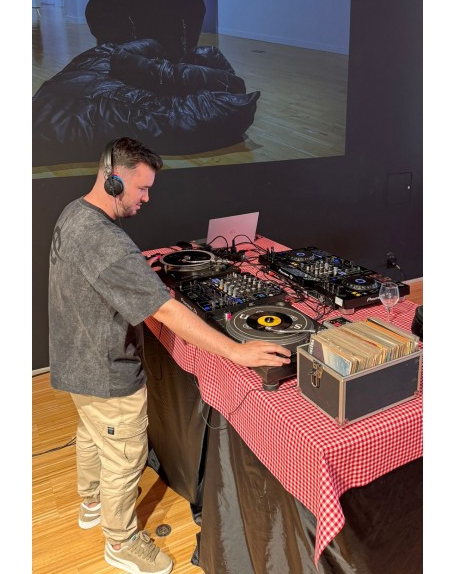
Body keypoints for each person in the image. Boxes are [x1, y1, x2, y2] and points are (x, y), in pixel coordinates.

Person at [48, 137, 291, 574]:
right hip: (105, 371)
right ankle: (121, 542)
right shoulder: (105, 241)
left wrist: (139, 276)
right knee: (124, 455)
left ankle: (91, 503)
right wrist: (237, 351)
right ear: (113, 180)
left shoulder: (74, 212)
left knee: (93, 433)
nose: (146, 198)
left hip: (74, 362)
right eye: (141, 188)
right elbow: (164, 310)